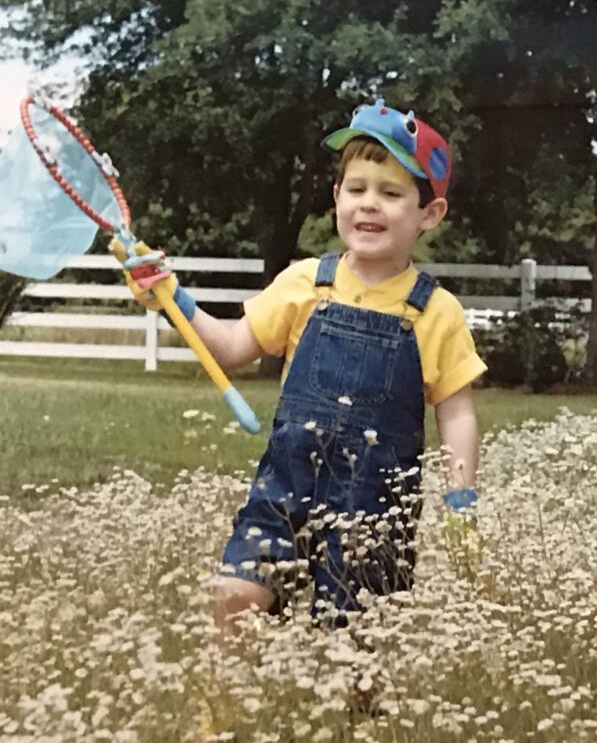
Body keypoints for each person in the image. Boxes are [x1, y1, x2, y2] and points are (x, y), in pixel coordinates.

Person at [121, 99, 486, 635]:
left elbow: (457, 416)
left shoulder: (435, 312)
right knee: (234, 597)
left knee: (359, 650)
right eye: (357, 188)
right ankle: (224, 714)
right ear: (336, 197)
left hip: (375, 516)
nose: (370, 205)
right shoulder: (304, 283)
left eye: (391, 193)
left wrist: (461, 503)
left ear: (428, 214)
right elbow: (230, 346)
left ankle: (359, 718)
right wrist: (173, 298)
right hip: (284, 491)